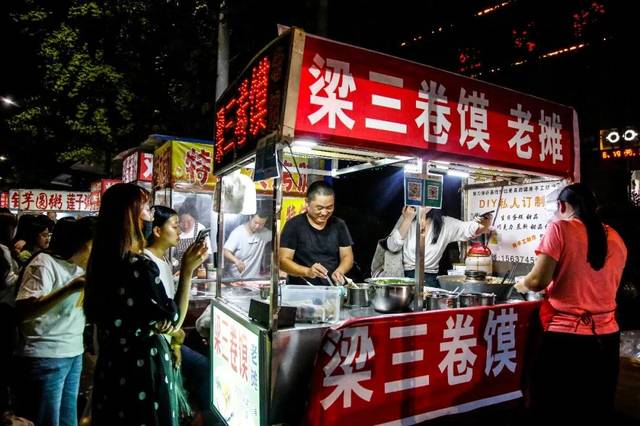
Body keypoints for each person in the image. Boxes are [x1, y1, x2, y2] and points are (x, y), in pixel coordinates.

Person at [84, 184, 206, 426]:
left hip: (112, 366)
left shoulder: (103, 263)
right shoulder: (138, 266)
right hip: (140, 370)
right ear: (132, 216)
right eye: (147, 210)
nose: (150, 216)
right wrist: (188, 272)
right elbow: (173, 321)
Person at [513, 183, 627, 423]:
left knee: (555, 406)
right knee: (595, 406)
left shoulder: (560, 228)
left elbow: (538, 281)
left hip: (566, 339)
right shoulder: (616, 238)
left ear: (561, 206)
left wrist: (521, 284)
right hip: (607, 338)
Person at [13, 217, 96, 426]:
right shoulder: (44, 263)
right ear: (82, 244)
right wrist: (69, 288)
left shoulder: (80, 268)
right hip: (45, 355)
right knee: (45, 420)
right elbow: (24, 310)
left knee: (68, 420)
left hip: (73, 352)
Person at [143, 205, 211, 413]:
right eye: (175, 226)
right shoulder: (146, 262)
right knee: (205, 368)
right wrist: (187, 270)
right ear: (157, 231)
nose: (180, 231)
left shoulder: (162, 260)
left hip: (168, 341)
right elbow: (170, 319)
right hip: (156, 346)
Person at [385, 206, 492, 287]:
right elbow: (392, 246)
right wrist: (407, 219)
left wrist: (485, 220)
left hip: (430, 280)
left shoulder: (445, 224)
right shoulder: (406, 221)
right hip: (405, 279)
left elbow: (472, 228)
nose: (422, 203)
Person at [279, 181, 354, 286]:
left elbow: (347, 256)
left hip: (332, 290)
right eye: (319, 208)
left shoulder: (339, 225)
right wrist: (308, 272)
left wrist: (340, 271)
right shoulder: (294, 225)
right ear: (307, 203)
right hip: (302, 291)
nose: (324, 213)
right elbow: (283, 261)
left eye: (329, 207)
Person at [223, 212, 272, 279]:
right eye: (255, 222)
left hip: (254, 280)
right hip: (235, 279)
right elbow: (225, 251)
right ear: (250, 218)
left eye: (261, 224)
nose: (257, 226)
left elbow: (279, 237)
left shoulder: (264, 233)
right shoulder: (238, 233)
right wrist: (236, 261)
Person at [176, 198, 212, 270]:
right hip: (177, 270)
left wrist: (193, 265)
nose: (185, 226)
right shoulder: (175, 229)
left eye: (189, 222)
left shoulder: (200, 228)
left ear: (195, 220)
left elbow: (207, 253)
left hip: (196, 270)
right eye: (182, 222)